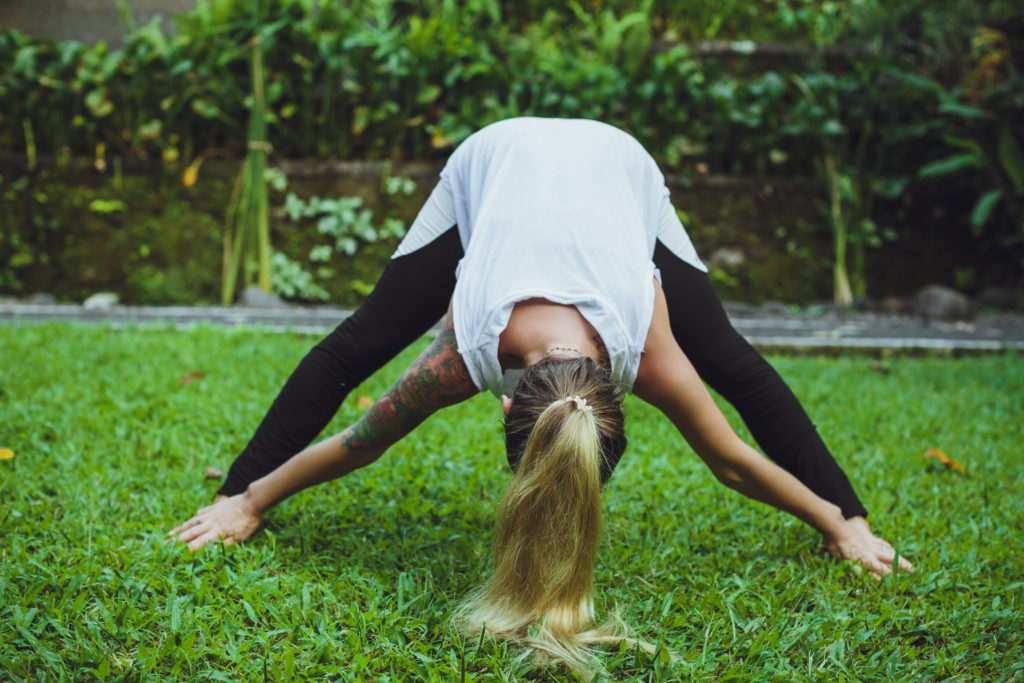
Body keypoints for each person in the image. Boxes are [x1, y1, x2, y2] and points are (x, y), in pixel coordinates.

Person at [170, 118, 913, 678]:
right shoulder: (465, 350)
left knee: (731, 359)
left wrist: (844, 520)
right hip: (499, 159)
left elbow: (733, 458)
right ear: (503, 402)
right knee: (361, 340)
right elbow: (360, 436)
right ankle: (231, 486)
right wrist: (248, 497)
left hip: (617, 169)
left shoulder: (648, 339)